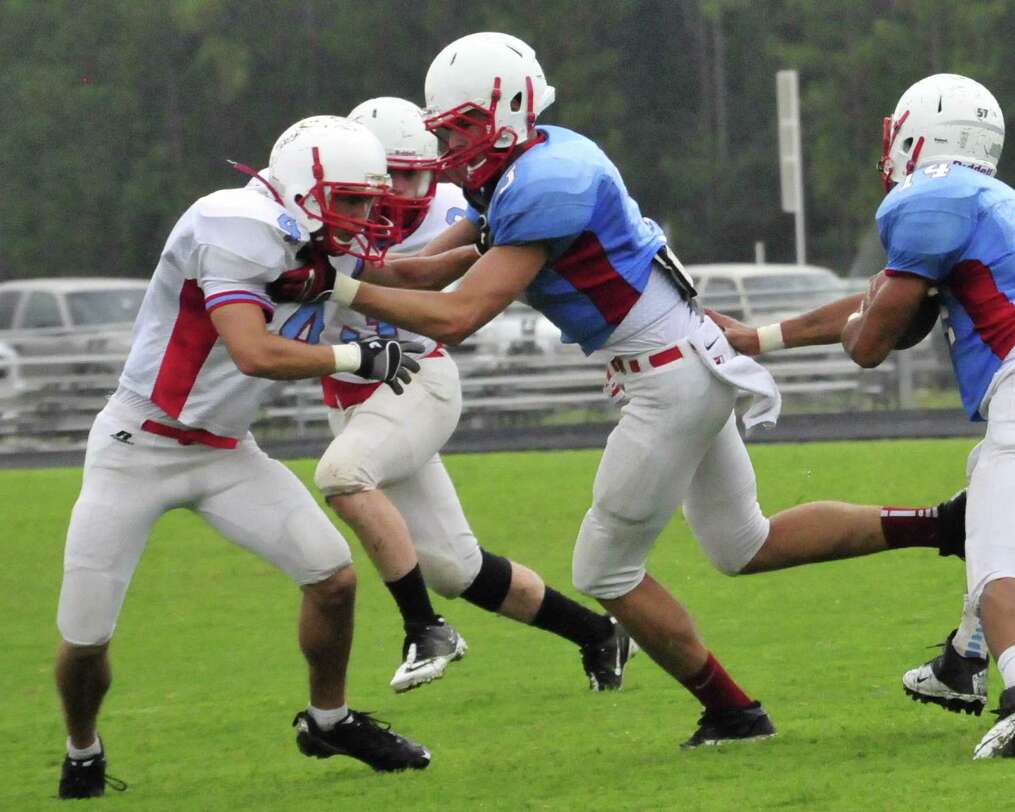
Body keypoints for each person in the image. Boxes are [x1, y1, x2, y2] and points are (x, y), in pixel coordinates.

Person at [268, 33, 967, 749]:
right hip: (687, 359)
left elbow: (459, 315)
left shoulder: (546, 181)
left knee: (604, 568)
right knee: (741, 542)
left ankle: (733, 712)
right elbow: (426, 276)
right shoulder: (532, 164)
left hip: (670, 377)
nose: (455, 143)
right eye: (448, 129)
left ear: (511, 108)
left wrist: (342, 286)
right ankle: (942, 525)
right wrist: (335, 266)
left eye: (466, 125)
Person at [710, 74, 1015, 759]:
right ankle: (960, 664)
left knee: (999, 568)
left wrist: (868, 330)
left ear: (916, 134)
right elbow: (877, 299)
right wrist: (764, 338)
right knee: (985, 511)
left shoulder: (930, 192)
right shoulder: (990, 199)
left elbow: (870, 341)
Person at [54, 115, 433, 799]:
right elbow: (254, 352)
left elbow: (409, 275)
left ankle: (330, 719)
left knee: (333, 578)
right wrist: (355, 355)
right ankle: (82, 748)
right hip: (137, 446)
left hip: (228, 451)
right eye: (350, 200)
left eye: (367, 201)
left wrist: (500, 245)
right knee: (84, 640)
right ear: (300, 188)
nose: (364, 216)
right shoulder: (230, 222)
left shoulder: (323, 242)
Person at [310, 96, 636, 694]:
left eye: (418, 172)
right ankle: (598, 633)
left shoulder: (457, 209)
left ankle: (424, 629)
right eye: (396, 173)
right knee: (453, 567)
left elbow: (424, 272)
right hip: (351, 398)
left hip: (414, 381)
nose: (408, 189)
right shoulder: (320, 206)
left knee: (342, 474)